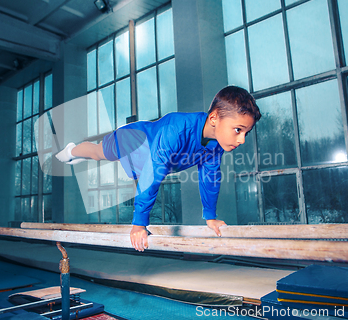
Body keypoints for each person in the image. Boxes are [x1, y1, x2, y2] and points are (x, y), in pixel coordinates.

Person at [56, 86, 261, 251]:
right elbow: (152, 176)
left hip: (151, 160)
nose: (242, 140)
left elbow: (210, 178)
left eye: (246, 133)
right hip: (132, 141)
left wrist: (210, 216)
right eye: (238, 130)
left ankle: (76, 152)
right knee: (98, 153)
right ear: (214, 118)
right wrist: (139, 223)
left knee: (108, 157)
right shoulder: (176, 130)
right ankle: (72, 151)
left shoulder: (215, 145)